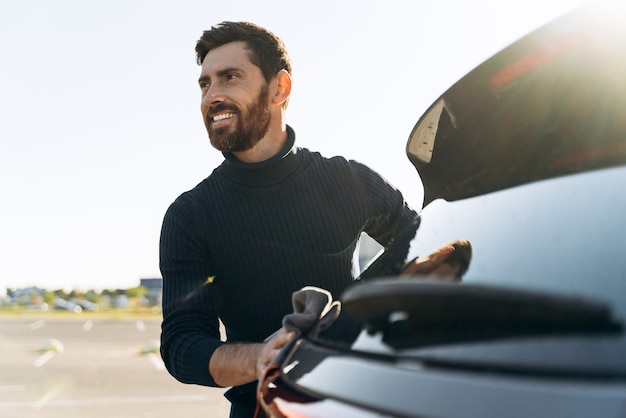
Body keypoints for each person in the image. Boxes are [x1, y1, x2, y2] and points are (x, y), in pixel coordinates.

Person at [159, 21, 420, 417]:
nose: (212, 96)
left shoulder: (349, 181)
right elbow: (182, 345)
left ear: (279, 88)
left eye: (230, 78)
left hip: (361, 405)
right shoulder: (189, 215)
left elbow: (428, 249)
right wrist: (260, 357)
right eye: (205, 84)